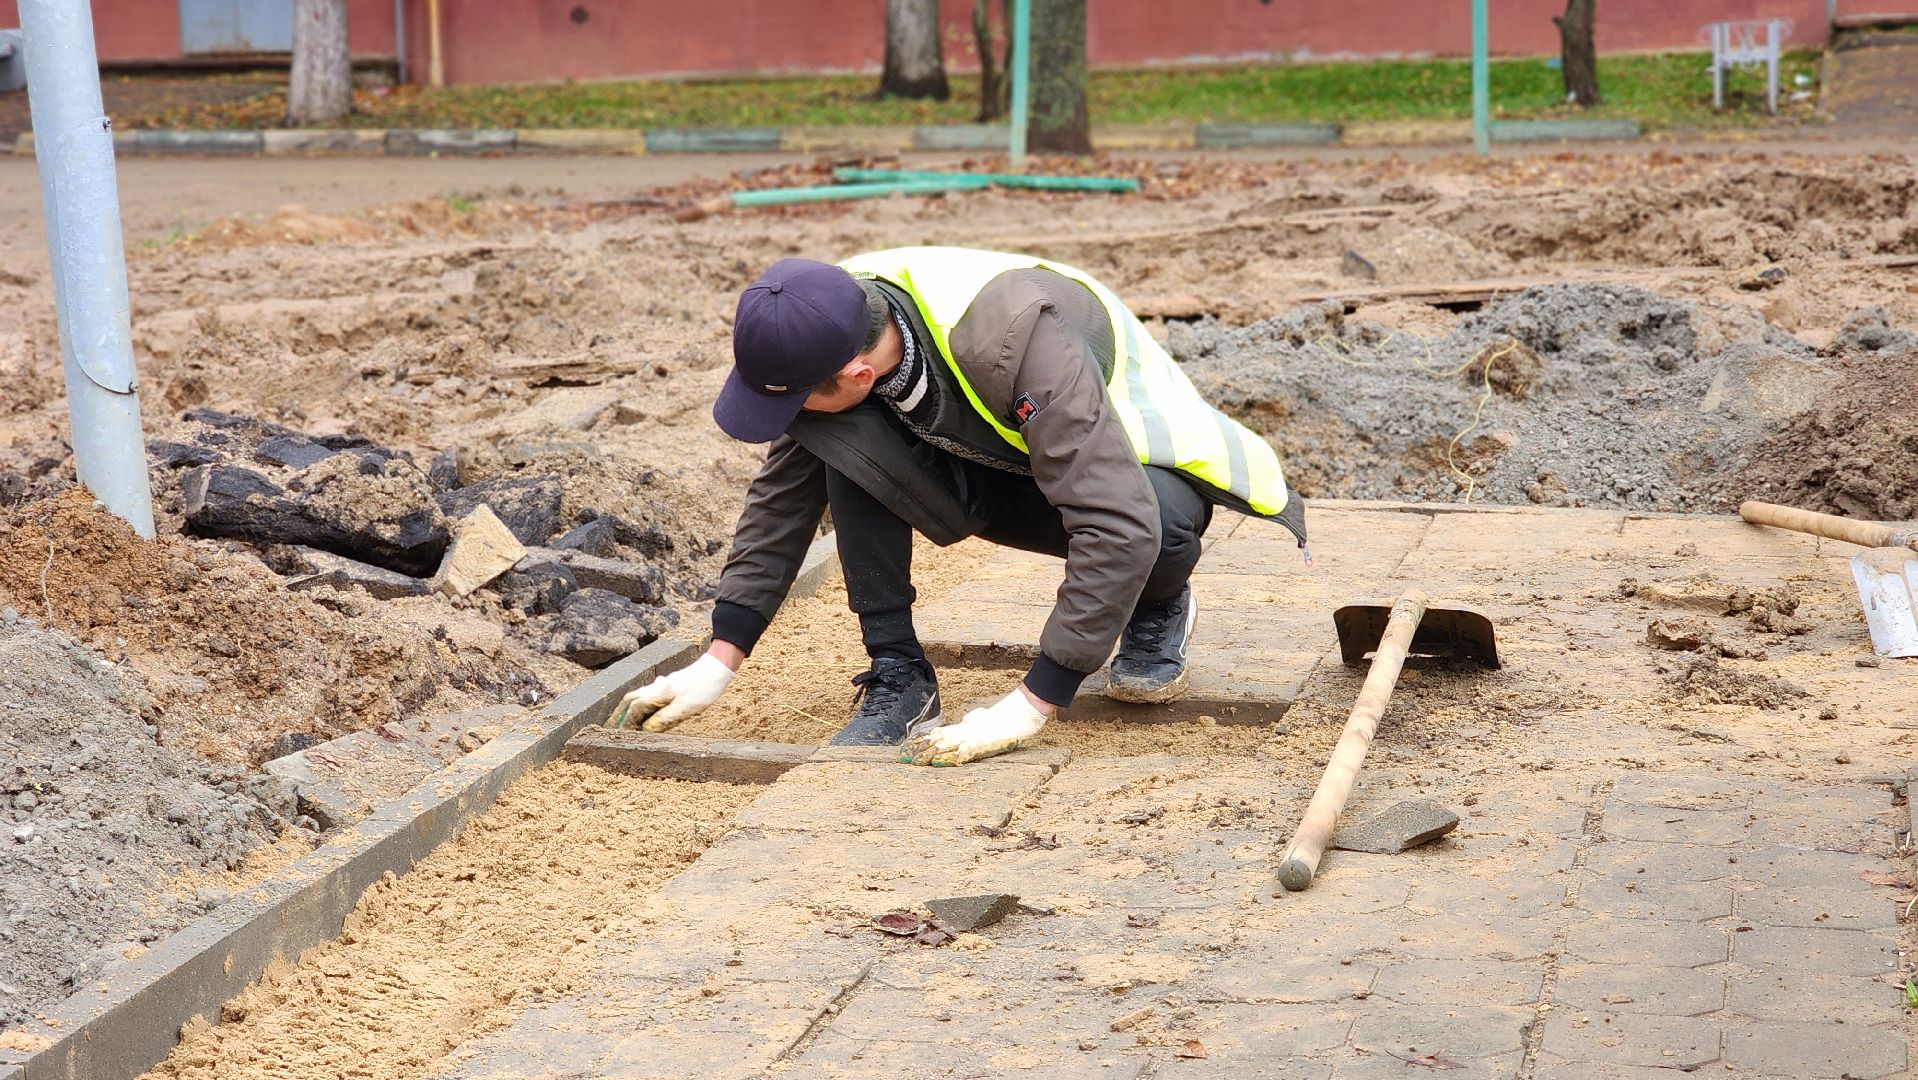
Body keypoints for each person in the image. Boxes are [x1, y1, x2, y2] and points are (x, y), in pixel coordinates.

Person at [611, 247, 1305, 766]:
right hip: (993, 461)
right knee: (846, 446)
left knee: (1156, 528)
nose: (790, 416)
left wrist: (1034, 703)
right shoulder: (831, 317)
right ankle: (899, 676)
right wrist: (719, 657)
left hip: (1136, 478)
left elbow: (1116, 522)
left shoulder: (1023, 339)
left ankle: (1157, 605)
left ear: (856, 372)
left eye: (795, 400)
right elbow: (780, 505)